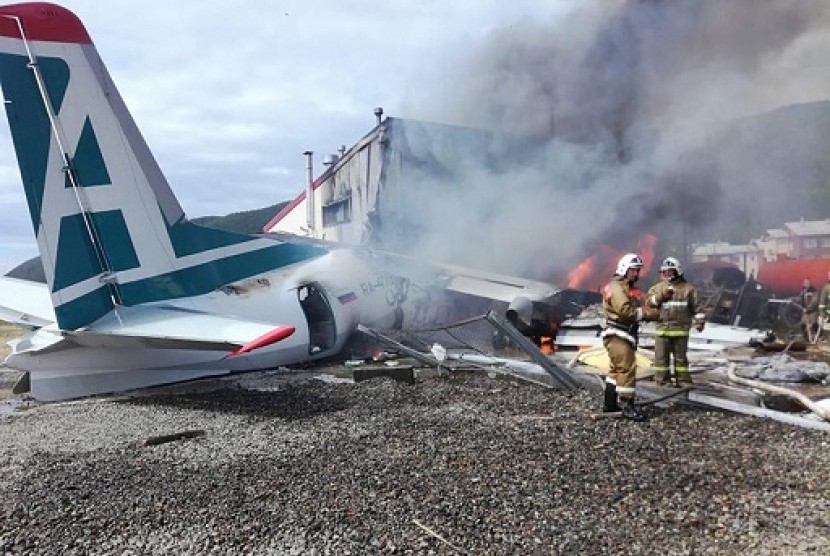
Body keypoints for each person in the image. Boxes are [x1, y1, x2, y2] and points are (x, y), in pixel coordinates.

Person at [601, 252, 656, 421]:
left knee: (615, 371)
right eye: (634, 270)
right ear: (624, 269)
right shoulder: (617, 288)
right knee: (626, 368)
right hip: (618, 333)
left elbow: (642, 300)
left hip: (623, 334)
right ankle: (627, 405)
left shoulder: (627, 288)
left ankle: (609, 405)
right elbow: (625, 311)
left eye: (638, 270)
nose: (637, 274)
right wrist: (647, 315)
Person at [646, 257, 706, 387]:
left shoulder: (688, 289)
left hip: (680, 331)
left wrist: (700, 322)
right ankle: (662, 382)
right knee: (661, 360)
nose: (667, 274)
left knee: (681, 360)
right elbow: (649, 303)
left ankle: (683, 381)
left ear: (678, 271)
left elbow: (697, 308)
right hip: (662, 331)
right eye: (665, 272)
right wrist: (662, 295)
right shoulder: (657, 288)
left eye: (670, 271)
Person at [798, 277, 819, 342]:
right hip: (806, 312)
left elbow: (814, 302)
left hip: (812, 312)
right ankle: (806, 339)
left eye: (807, 282)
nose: (806, 284)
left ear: (809, 283)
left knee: (814, 325)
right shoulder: (803, 291)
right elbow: (800, 299)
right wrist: (793, 299)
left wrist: (808, 308)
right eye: (805, 282)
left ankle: (819, 336)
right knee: (802, 325)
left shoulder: (814, 290)